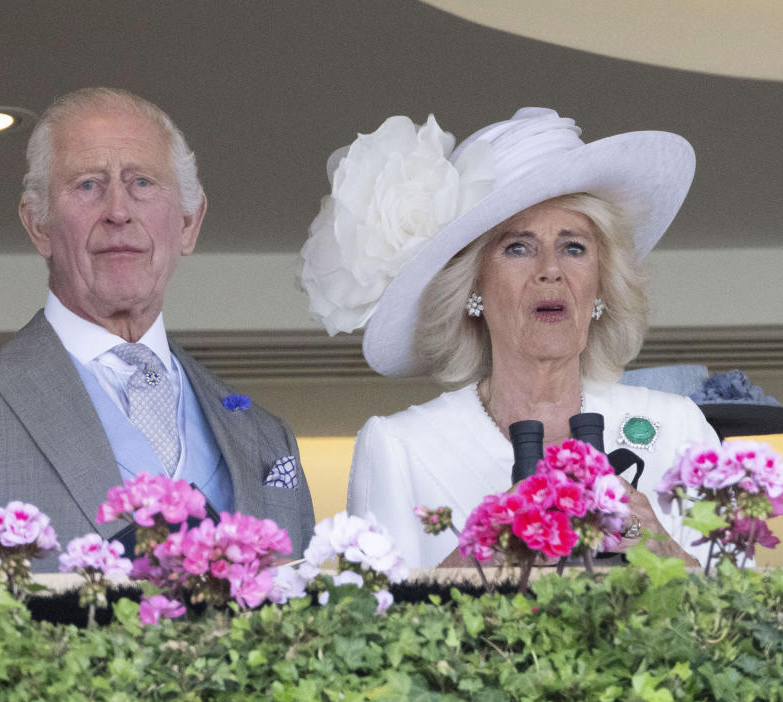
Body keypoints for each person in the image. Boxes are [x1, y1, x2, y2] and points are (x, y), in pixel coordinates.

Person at [0, 87, 314, 569]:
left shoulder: (265, 435)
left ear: (189, 223)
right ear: (38, 225)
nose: (117, 210)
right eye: (88, 184)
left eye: (143, 183)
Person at [299, 107, 717, 569]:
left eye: (573, 247)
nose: (550, 271)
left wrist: (659, 548)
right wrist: (483, 547)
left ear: (602, 284)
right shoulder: (400, 446)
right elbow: (372, 627)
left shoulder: (678, 428)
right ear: (473, 285)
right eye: (517, 247)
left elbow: (747, 622)